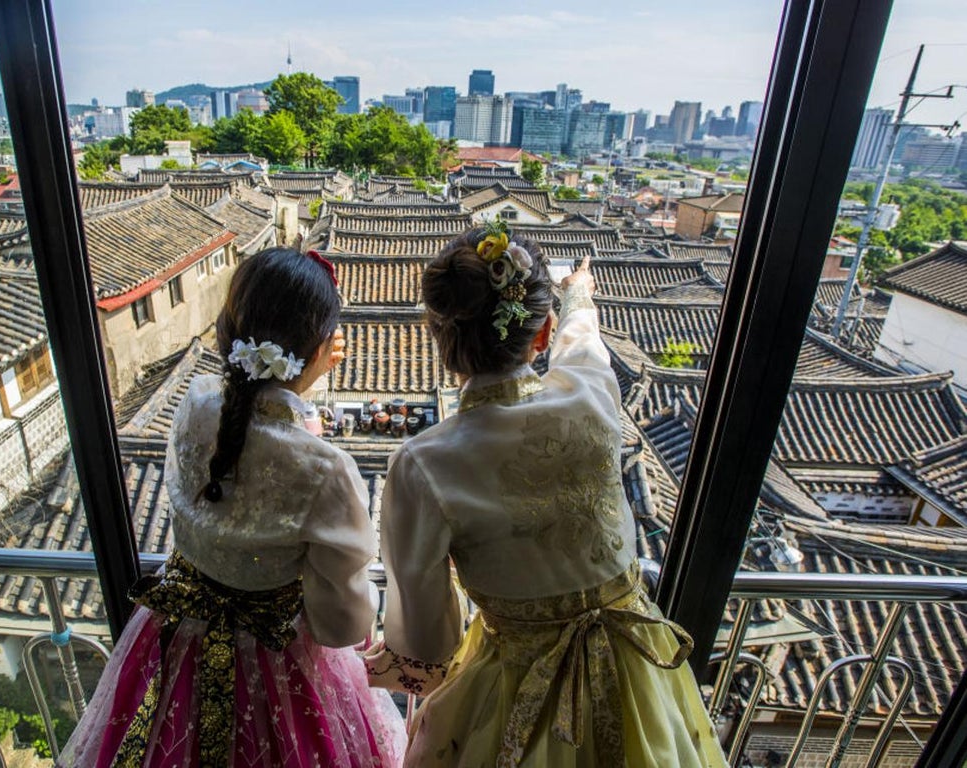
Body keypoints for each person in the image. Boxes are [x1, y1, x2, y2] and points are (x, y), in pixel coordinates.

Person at [370, 224, 727, 767]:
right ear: (542, 334)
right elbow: (582, 342)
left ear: (443, 343)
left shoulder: (425, 462)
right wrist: (578, 290)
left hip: (513, 686)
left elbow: (426, 640)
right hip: (638, 668)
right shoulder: (591, 393)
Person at [60, 248, 405, 768]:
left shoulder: (196, 405)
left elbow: (254, 437)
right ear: (316, 350)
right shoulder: (325, 471)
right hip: (274, 668)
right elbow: (340, 625)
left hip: (174, 643)